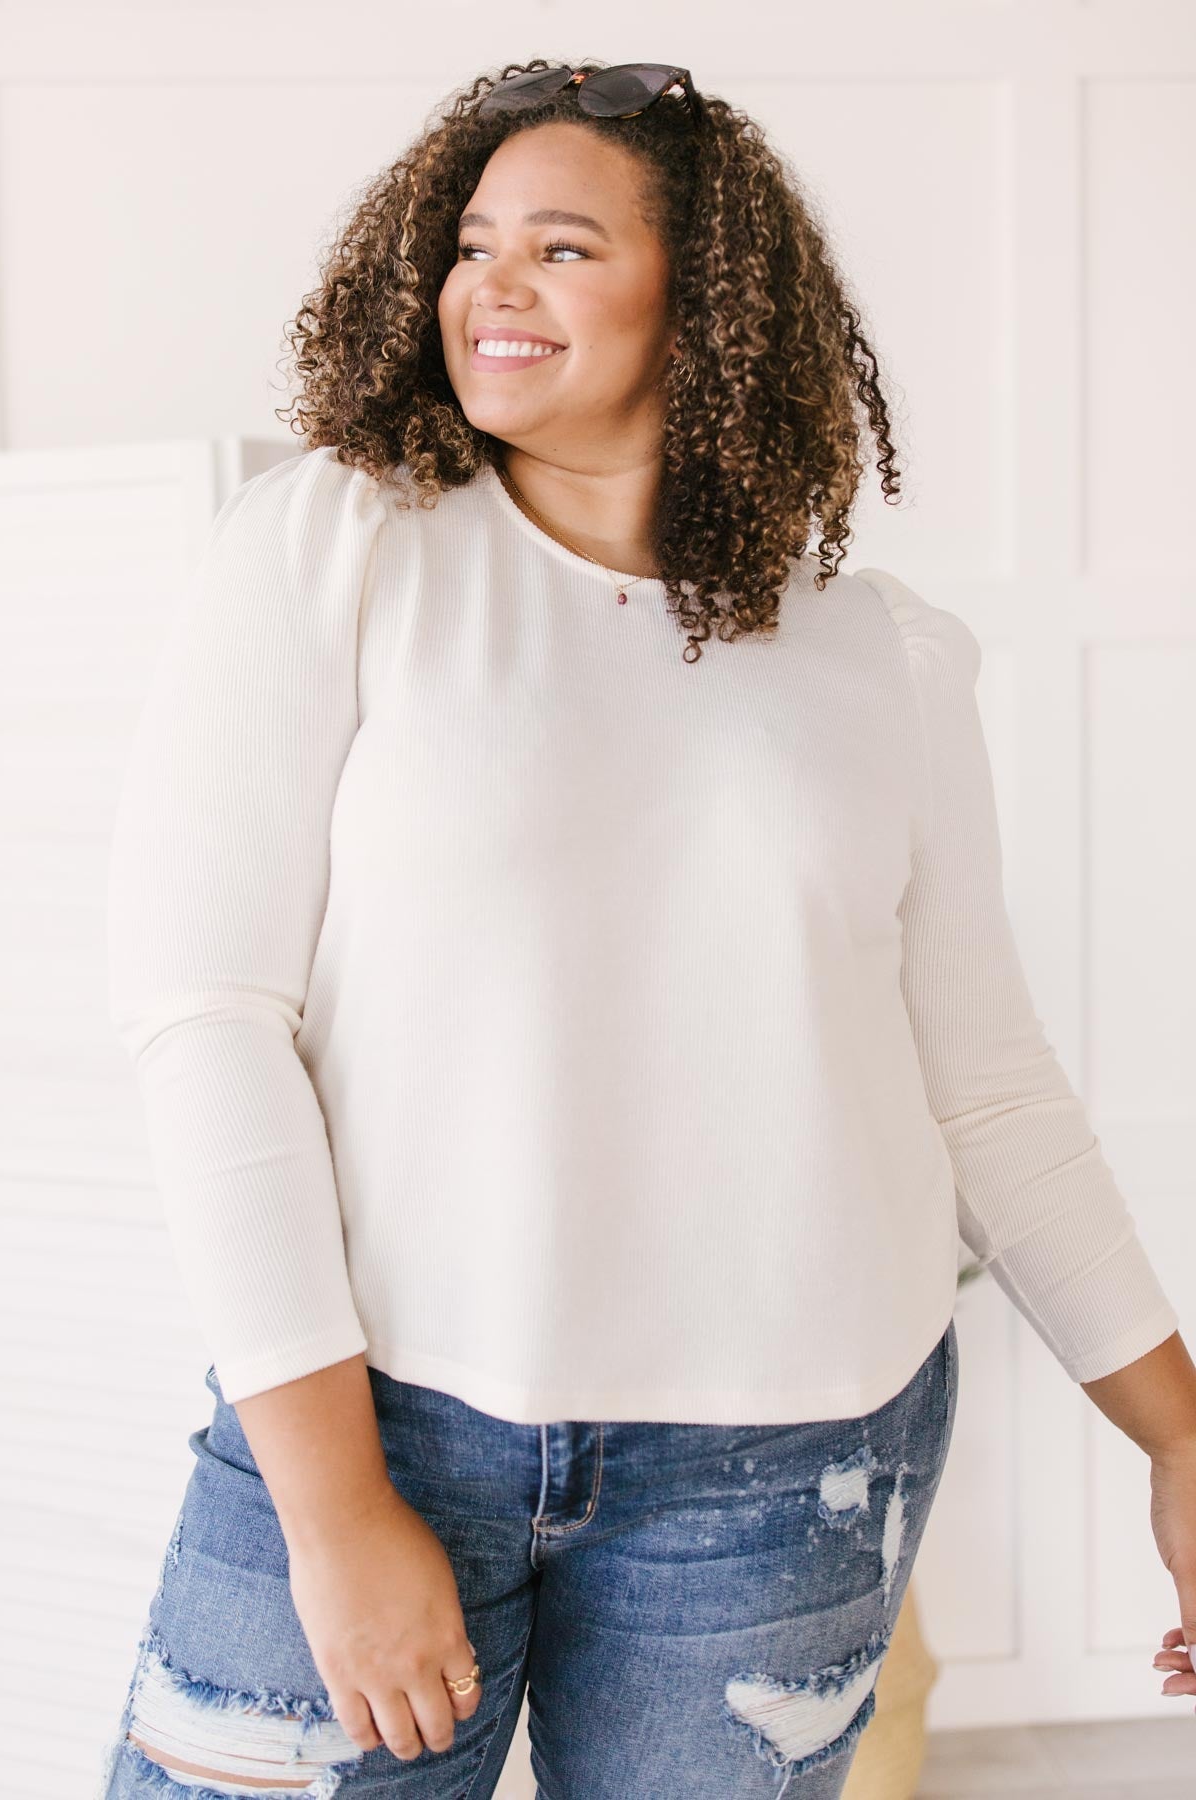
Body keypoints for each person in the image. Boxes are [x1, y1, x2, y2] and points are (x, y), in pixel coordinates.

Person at [97, 59, 1193, 1800]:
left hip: (788, 1482)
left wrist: (1179, 1438)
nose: (490, 285)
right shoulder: (340, 550)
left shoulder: (884, 660)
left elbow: (985, 1091)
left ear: (711, 303)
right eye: (469, 245)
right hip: (378, 1417)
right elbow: (209, 1018)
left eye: (562, 245)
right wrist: (332, 1503)